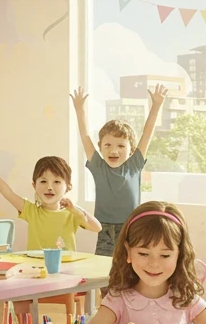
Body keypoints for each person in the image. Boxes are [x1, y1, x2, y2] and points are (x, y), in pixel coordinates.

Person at [81, 201, 206, 324]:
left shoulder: (184, 296)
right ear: (128, 252)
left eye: (165, 255)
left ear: (179, 255)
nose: (154, 264)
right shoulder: (119, 298)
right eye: (143, 254)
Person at [70, 84, 167, 256]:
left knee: (129, 263)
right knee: (104, 265)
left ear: (131, 149)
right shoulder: (98, 166)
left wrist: (156, 105)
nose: (114, 150)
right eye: (108, 145)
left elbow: (147, 134)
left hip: (131, 225)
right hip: (104, 228)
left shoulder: (134, 165)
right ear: (100, 147)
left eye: (121, 146)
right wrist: (79, 109)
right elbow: (85, 136)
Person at [0, 151, 102, 250]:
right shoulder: (31, 211)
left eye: (57, 182)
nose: (49, 187)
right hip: (35, 267)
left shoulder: (72, 214)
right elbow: (8, 194)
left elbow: (97, 227)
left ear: (68, 187)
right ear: (34, 185)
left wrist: (74, 210)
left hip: (65, 267)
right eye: (43, 181)